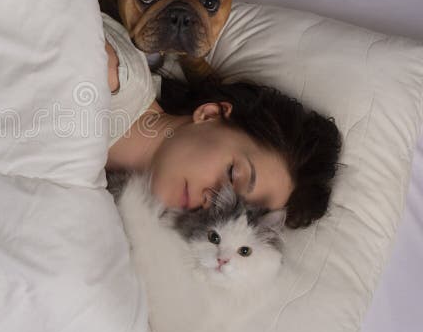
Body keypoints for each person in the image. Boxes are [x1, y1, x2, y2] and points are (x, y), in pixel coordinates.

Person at [102, 13, 342, 229]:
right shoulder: (109, 75)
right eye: (231, 174)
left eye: (235, 209)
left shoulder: (103, 196)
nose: (213, 203)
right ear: (210, 114)